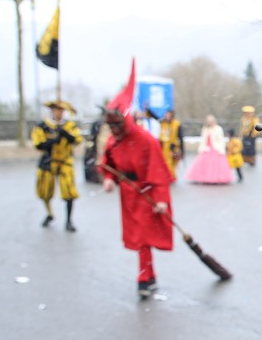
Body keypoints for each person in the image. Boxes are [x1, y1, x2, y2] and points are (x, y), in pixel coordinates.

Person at [99, 107, 174, 299]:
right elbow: (108, 163)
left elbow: (158, 170)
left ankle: (144, 277)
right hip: (128, 194)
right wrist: (109, 178)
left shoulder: (146, 140)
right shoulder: (114, 141)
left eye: (117, 124)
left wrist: (161, 199)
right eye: (111, 125)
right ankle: (151, 275)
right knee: (138, 237)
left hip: (146, 192)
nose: (114, 129)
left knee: (143, 237)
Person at [31, 100, 82, 231]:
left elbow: (77, 140)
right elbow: (38, 144)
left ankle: (69, 220)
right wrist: (52, 141)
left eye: (61, 110)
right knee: (44, 190)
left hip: (65, 161)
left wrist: (65, 134)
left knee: (69, 191)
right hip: (49, 161)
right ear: (52, 111)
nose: (59, 112)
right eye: (56, 110)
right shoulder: (43, 126)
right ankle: (49, 214)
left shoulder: (70, 125)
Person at [185, 115, 233, 184]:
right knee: (204, 164)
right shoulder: (205, 129)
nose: (210, 122)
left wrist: (221, 150)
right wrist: (201, 149)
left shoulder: (218, 129)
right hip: (206, 148)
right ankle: (203, 177)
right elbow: (203, 140)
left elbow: (220, 140)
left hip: (216, 148)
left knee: (216, 165)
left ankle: (216, 178)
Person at [157, 109, 184, 179]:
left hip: (174, 147)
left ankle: (171, 176)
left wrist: (182, 150)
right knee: (165, 162)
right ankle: (168, 176)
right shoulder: (162, 123)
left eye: (169, 115)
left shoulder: (176, 124)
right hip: (164, 146)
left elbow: (180, 137)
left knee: (173, 162)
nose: (167, 116)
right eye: (166, 115)